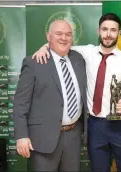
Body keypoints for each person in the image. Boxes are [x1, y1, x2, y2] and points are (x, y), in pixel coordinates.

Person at [32, 13, 121, 172]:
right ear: (98, 31)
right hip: (95, 126)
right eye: (105, 29)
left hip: (120, 125)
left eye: (113, 30)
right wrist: (44, 47)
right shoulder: (86, 53)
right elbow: (61, 44)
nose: (108, 34)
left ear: (119, 33)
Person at [13, 20, 87, 172]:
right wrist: (21, 136)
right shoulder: (34, 63)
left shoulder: (79, 59)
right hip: (42, 140)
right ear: (48, 36)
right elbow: (20, 103)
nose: (64, 38)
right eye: (58, 34)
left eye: (68, 34)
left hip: (73, 137)